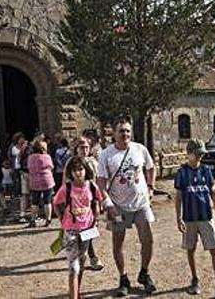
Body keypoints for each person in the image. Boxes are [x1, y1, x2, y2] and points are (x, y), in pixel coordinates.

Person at [97, 118, 157, 296]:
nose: (125, 134)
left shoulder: (139, 149)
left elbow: (150, 167)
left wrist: (151, 187)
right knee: (118, 242)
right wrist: (108, 204)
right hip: (117, 206)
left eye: (128, 131)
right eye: (121, 131)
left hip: (141, 203)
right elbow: (100, 183)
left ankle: (144, 274)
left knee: (148, 240)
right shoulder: (106, 154)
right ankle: (123, 278)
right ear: (114, 133)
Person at [174, 140, 215, 298]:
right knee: (190, 248)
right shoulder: (182, 173)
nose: (200, 157)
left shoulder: (206, 170)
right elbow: (178, 196)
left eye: (201, 154)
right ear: (189, 153)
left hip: (206, 215)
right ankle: (194, 279)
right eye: (197, 154)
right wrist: (178, 217)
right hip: (189, 217)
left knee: (214, 249)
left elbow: (211, 191)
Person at [54, 156, 104, 299]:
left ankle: (76, 291)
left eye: (80, 169)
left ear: (85, 170)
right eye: (75, 170)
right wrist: (62, 219)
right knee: (73, 266)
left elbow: (96, 201)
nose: (78, 173)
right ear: (71, 172)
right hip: (71, 230)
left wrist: (96, 216)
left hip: (87, 229)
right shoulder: (67, 188)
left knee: (81, 263)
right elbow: (56, 202)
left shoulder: (92, 186)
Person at [65, 136, 105, 271]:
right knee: (84, 229)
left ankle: (87, 253)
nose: (85, 150)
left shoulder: (93, 162)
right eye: (82, 147)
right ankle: (92, 257)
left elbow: (98, 180)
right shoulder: (71, 162)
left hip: (90, 200)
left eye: (87, 147)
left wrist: (99, 202)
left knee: (90, 228)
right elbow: (65, 181)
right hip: (76, 202)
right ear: (76, 149)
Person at [27, 138, 55, 227]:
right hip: (47, 180)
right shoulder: (47, 157)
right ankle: (48, 220)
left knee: (34, 202)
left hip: (34, 181)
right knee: (47, 201)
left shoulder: (30, 157)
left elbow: (28, 168)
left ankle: (33, 220)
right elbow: (51, 167)